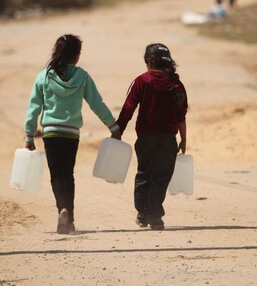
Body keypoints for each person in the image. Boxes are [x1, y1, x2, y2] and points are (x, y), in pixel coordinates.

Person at [24, 34, 120, 234]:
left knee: (56, 175)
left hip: (50, 133)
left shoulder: (44, 76)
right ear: (76, 56)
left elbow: (33, 107)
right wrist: (113, 126)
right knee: (68, 174)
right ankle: (70, 220)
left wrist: (29, 135)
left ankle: (62, 209)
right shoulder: (82, 76)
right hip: (71, 134)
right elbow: (97, 103)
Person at [113, 44, 188, 230]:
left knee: (144, 173)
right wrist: (183, 139)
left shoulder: (140, 81)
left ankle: (142, 213)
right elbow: (181, 116)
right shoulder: (176, 85)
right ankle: (156, 215)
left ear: (148, 62)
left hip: (146, 138)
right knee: (161, 176)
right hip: (168, 139)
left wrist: (118, 130)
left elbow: (128, 108)